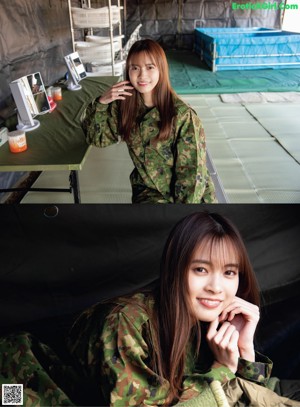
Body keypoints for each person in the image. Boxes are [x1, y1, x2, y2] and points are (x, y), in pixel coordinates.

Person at [0, 212, 299, 406]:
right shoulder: (125, 321)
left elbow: (233, 392)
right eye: (200, 270)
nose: (216, 288)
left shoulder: (203, 321)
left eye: (229, 273)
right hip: (20, 382)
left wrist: (245, 351)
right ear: (176, 270)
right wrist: (223, 372)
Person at [82, 39, 216, 204]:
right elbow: (98, 138)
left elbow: (192, 175)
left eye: (150, 67)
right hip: (149, 193)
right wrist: (101, 103)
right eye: (135, 68)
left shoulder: (182, 115)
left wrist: (182, 213)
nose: (142, 75)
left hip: (189, 199)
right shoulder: (124, 105)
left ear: (161, 69)